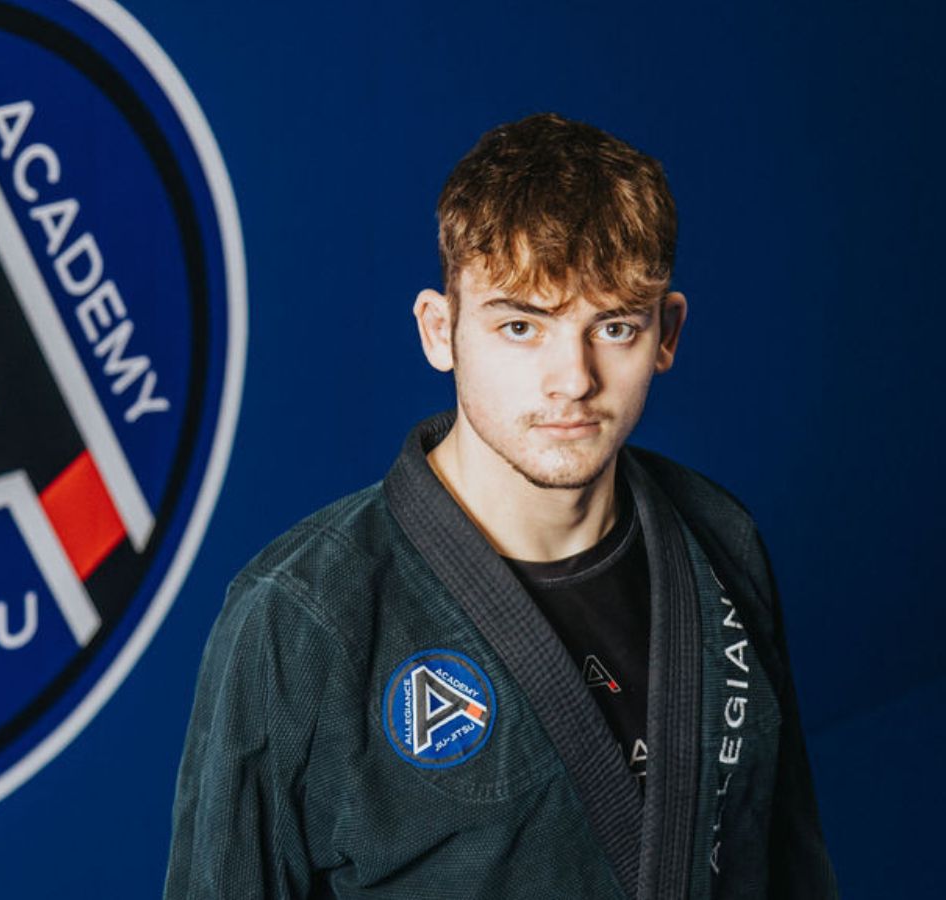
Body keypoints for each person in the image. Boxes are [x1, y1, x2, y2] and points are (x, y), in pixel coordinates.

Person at [165, 113, 837, 899]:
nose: (573, 380)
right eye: (522, 326)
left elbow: (790, 863)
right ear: (440, 330)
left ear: (667, 332)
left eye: (613, 326)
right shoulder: (302, 621)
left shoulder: (719, 538)